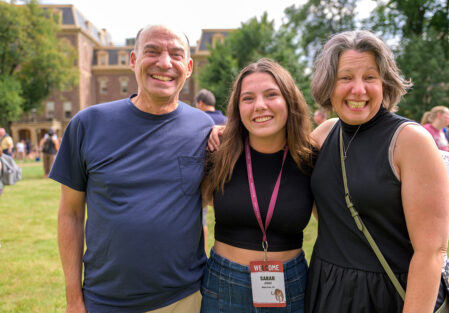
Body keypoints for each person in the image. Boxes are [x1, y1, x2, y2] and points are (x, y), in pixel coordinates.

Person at [49, 24, 214, 313]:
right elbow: (70, 214)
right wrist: (74, 299)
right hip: (106, 301)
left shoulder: (203, 128)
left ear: (188, 67)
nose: (165, 63)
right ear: (133, 60)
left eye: (176, 55)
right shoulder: (88, 124)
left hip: (185, 299)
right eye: (152, 51)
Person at [305, 30, 449, 312]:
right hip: (326, 288)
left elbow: (431, 253)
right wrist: (226, 132)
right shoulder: (324, 134)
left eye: (370, 77)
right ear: (328, 85)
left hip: (387, 296)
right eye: (345, 77)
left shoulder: (409, 141)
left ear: (385, 83)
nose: (358, 89)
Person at [201, 58, 315, 312]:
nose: (259, 106)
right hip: (225, 285)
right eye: (248, 98)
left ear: (289, 100)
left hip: (291, 285)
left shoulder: (310, 158)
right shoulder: (218, 153)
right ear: (238, 107)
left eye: (271, 95)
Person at [194, 88, 227, 251]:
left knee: (202, 218)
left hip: (203, 179)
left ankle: (203, 249)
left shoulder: (199, 121)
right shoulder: (228, 121)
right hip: (226, 181)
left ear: (200, 103)